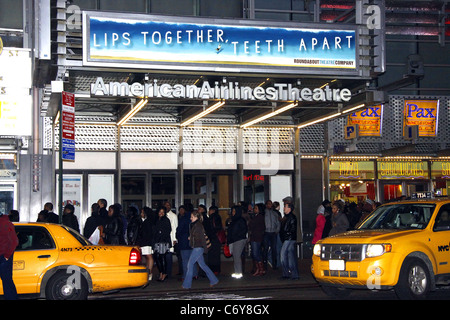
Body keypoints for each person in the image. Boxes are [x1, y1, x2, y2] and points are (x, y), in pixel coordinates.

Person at [182, 210, 219, 289]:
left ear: (196, 217)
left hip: (198, 247)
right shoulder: (196, 225)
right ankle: (214, 280)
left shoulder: (197, 226)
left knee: (190, 264)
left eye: (192, 217)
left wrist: (204, 249)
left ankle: (187, 284)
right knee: (202, 265)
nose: (190, 218)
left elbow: (201, 238)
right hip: (198, 247)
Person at [0, 210, 19, 300]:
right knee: (7, 282)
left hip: (3, 256)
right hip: (4, 256)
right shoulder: (7, 223)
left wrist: (6, 256)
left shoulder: (6, 224)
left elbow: (14, 242)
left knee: (7, 282)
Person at [226, 205, 248, 279]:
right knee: (235, 256)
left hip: (239, 240)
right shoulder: (233, 220)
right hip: (234, 240)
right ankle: (237, 271)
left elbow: (243, 231)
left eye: (235, 211)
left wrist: (235, 236)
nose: (233, 212)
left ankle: (238, 272)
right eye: (232, 211)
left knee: (237, 256)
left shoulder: (241, 220)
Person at [176, 205, 196, 280]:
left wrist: (177, 236)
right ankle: (194, 274)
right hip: (193, 241)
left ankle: (186, 275)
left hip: (184, 241)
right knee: (193, 258)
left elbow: (179, 230)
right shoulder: (194, 218)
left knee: (185, 259)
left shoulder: (183, 219)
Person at [280, 203, 299, 280]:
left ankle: (288, 273)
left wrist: (286, 234)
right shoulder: (288, 217)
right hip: (288, 238)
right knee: (290, 256)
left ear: (289, 209)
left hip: (289, 238)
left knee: (283, 255)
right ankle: (292, 274)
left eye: (285, 207)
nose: (284, 208)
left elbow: (291, 229)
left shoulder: (291, 218)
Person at [153, 207, 172, 282]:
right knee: (157, 257)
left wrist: (160, 233)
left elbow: (168, 230)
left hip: (163, 241)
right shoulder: (156, 220)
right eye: (160, 212)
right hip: (157, 241)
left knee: (162, 257)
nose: (161, 213)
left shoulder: (166, 220)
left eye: (163, 212)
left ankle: (164, 273)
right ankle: (161, 272)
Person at [138, 207, 156, 281]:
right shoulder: (148, 221)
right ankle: (148, 272)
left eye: (142, 212)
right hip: (147, 241)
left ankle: (149, 272)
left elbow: (147, 233)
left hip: (146, 242)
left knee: (149, 256)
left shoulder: (147, 222)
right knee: (147, 257)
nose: (141, 214)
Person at [203, 206, 222, 275]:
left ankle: (213, 269)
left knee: (212, 255)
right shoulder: (218, 217)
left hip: (213, 238)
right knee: (216, 255)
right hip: (217, 238)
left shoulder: (212, 218)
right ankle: (216, 269)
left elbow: (211, 228)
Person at [248, 203, 265, 276]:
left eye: (256, 208)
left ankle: (260, 269)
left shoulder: (259, 217)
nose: (254, 209)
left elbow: (251, 225)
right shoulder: (258, 217)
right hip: (256, 237)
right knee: (256, 253)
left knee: (255, 253)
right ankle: (259, 269)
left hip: (256, 237)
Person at [263, 200, 280, 271]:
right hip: (266, 232)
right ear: (266, 205)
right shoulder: (264, 213)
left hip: (273, 232)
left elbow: (278, 222)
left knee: (274, 249)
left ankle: (274, 264)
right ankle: (264, 264)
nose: (270, 205)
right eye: (268, 204)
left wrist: (277, 230)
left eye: (271, 204)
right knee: (266, 248)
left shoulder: (274, 213)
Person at [164, 201, 178, 279]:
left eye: (168, 205)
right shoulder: (162, 215)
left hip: (170, 238)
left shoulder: (173, 216)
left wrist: (174, 239)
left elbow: (175, 228)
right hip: (163, 239)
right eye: (166, 205)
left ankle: (168, 273)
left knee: (168, 257)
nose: (167, 206)